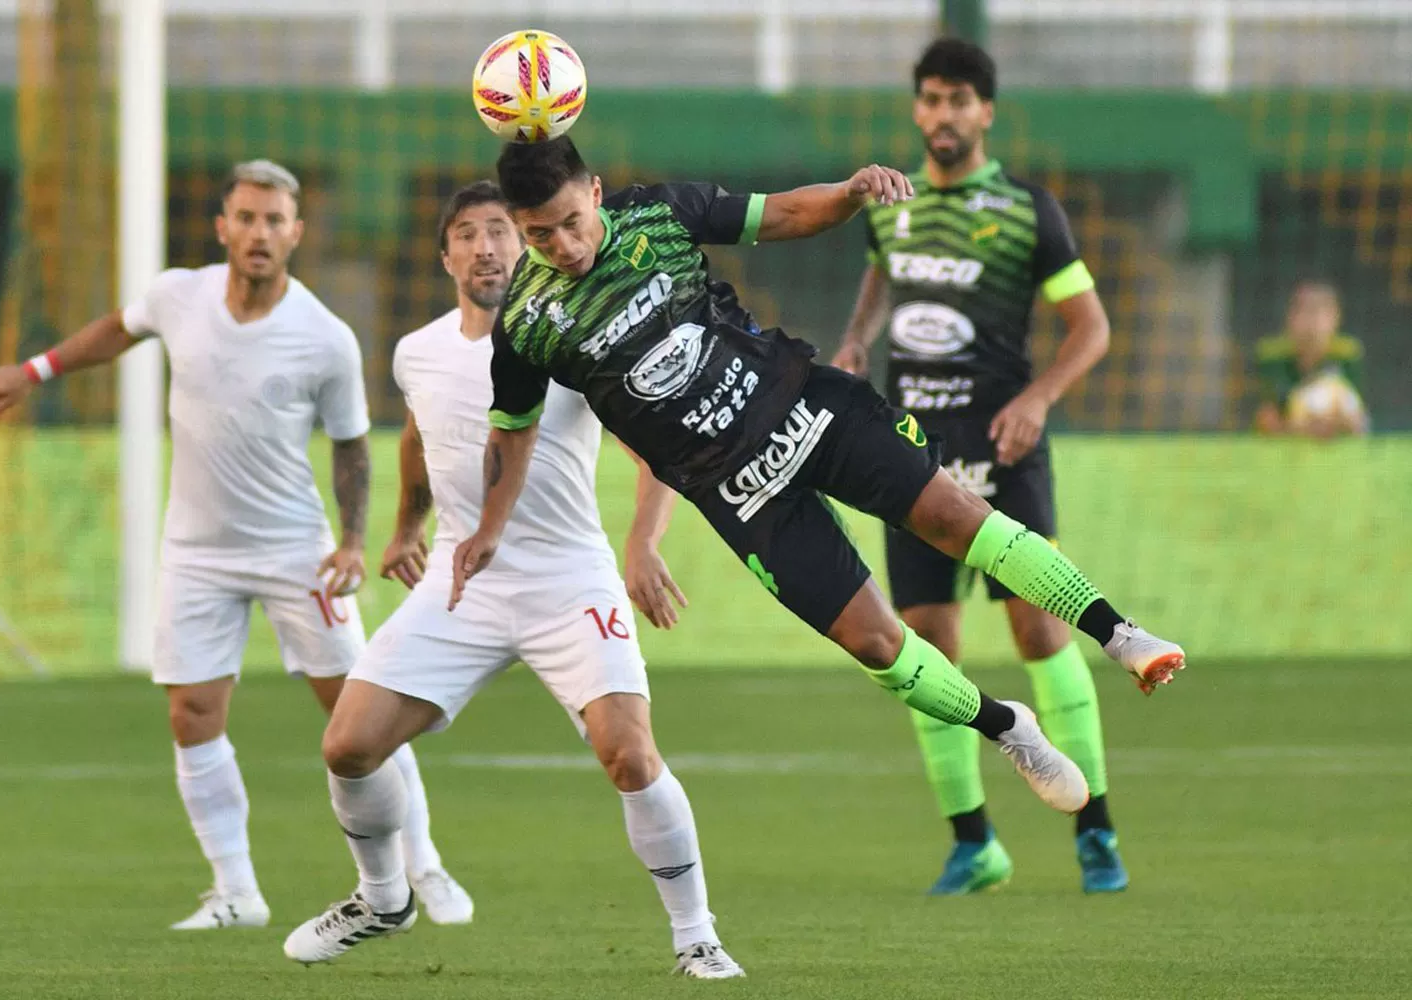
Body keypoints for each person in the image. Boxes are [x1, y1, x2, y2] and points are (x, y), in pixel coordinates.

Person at [449, 135, 1188, 831]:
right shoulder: (527, 323)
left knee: (956, 516)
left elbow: (783, 213)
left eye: (573, 223)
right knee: (874, 643)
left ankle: (1120, 634)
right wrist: (488, 531)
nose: (565, 246)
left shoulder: (658, 216)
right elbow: (513, 432)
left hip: (804, 405)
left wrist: (851, 191)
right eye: (540, 235)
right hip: (738, 490)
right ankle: (1007, 728)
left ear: (597, 193)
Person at [0, 160, 468, 930]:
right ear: (223, 226)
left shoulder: (323, 339)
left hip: (295, 551)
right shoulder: (179, 295)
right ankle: (236, 892)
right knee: (193, 713)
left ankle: (422, 865)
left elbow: (350, 446)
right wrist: (35, 370)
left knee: (358, 716)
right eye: (247, 217)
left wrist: (349, 542)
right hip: (196, 552)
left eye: (275, 221)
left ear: (296, 234)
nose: (259, 232)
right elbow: (120, 329)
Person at [282, 182, 743, 979]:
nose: (487, 248)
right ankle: (383, 897)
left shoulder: (569, 336)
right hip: (467, 579)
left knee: (628, 754)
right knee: (348, 746)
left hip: (570, 577)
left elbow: (656, 451)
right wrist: (406, 527)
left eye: (500, 231)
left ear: (523, 244)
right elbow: (421, 441)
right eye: (468, 234)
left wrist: (642, 541)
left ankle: (696, 935)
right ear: (446, 255)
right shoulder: (415, 352)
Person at [829, 37, 1127, 895]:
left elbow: (1092, 327)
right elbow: (883, 276)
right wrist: (856, 337)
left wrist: (1037, 400)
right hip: (911, 450)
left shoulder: (1030, 211)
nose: (942, 115)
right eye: (929, 100)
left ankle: (1095, 825)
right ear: (917, 110)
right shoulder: (892, 204)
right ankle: (974, 843)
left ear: (985, 112)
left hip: (1003, 441)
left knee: (1039, 628)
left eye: (958, 100)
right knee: (927, 641)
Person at [1253, 280, 1369, 438]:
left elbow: (1357, 419)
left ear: (1335, 318)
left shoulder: (1347, 354)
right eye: (1305, 312)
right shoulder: (1272, 355)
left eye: (1320, 313)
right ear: (1290, 318)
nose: (1312, 324)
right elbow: (1267, 419)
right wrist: (1304, 427)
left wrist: (1335, 421)